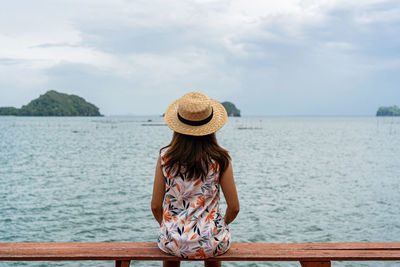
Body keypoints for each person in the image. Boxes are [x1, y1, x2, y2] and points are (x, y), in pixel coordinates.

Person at [151, 92, 240, 267]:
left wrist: (171, 227)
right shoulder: (221, 159)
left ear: (178, 125)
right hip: (211, 241)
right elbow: (234, 207)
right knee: (211, 241)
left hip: (173, 240)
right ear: (211, 126)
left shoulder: (165, 157)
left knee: (171, 246)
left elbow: (155, 206)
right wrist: (218, 225)